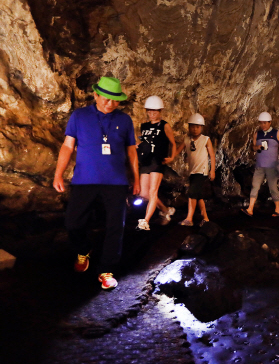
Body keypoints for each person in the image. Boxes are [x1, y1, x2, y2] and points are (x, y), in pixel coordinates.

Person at [53, 76, 140, 290]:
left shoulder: (125, 120)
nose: (110, 104)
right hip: (84, 180)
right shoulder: (79, 116)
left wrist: (137, 179)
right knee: (73, 223)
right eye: (106, 99)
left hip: (116, 182)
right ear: (96, 95)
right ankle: (84, 250)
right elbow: (67, 146)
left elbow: (131, 151)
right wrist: (58, 174)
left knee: (115, 227)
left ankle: (106, 270)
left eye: (115, 100)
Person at [136, 96, 177, 231]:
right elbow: (143, 143)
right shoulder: (144, 126)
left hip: (157, 161)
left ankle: (145, 221)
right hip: (146, 161)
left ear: (160, 111)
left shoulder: (164, 125)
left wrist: (172, 157)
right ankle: (165, 210)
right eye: (149, 111)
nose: (152, 114)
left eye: (155, 111)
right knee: (144, 193)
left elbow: (173, 143)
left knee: (153, 192)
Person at [175, 113, 216, 226]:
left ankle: (189, 219)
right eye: (192, 126)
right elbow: (177, 151)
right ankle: (206, 219)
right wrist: (169, 158)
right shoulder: (187, 139)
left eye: (197, 126)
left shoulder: (206, 139)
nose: (195, 129)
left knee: (192, 193)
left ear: (201, 127)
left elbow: (212, 155)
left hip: (202, 171)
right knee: (198, 195)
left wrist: (212, 170)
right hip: (192, 171)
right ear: (189, 127)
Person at [243, 112, 279, 217]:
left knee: (272, 187)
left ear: (270, 122)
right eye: (261, 123)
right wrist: (257, 147)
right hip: (260, 165)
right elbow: (253, 147)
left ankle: (278, 210)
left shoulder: (276, 133)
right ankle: (250, 209)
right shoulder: (257, 134)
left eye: (265, 123)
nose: (263, 125)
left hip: (272, 166)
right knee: (255, 186)